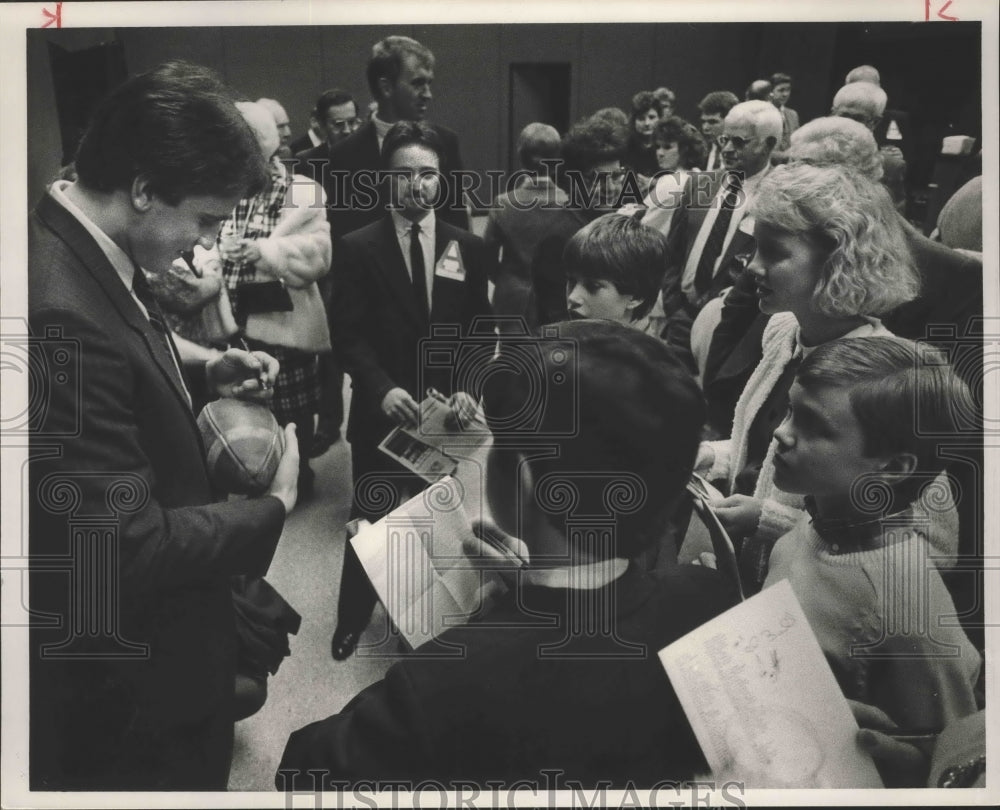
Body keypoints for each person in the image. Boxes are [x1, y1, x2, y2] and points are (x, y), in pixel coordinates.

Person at [277, 319, 739, 788]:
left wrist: (485, 631)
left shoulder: (443, 682)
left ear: (521, 481)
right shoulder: (710, 598)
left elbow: (302, 771)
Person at [28, 61, 299, 790]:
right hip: (127, 684)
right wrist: (269, 506)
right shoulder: (57, 312)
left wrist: (208, 367)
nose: (203, 244)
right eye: (206, 220)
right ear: (144, 187)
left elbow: (129, 331)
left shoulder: (76, 238)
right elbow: (122, 553)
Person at [693, 162, 927, 594]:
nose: (751, 268)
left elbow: (892, 528)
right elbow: (762, 448)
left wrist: (766, 520)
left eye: (775, 253)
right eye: (755, 249)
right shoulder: (783, 331)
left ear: (839, 260)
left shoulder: (882, 373)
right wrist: (712, 455)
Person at [328, 121, 493, 660]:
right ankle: (352, 618)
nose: (416, 186)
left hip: (444, 418)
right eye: (403, 175)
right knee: (371, 516)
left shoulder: (466, 246)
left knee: (435, 519)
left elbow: (479, 330)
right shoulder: (356, 247)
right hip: (384, 415)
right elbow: (347, 335)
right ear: (386, 180)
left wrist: (469, 387)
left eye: (427, 174)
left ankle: (423, 625)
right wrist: (380, 389)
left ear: (442, 179)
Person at [763, 337, 981, 733]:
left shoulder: (908, 606)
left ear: (893, 466)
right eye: (791, 411)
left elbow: (955, 757)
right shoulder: (812, 524)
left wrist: (892, 751)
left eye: (814, 426)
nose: (781, 433)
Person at [218, 101, 332, 498]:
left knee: (292, 413)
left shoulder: (302, 192)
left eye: (266, 157)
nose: (263, 168)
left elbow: (319, 256)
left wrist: (266, 253)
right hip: (233, 322)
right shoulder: (228, 191)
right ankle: (257, 473)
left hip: (285, 326)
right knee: (249, 406)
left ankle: (297, 478)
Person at [659, 99, 782, 367]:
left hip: (731, 333)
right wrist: (674, 307)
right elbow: (672, 253)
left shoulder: (779, 199)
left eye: (739, 142)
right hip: (681, 319)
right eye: (723, 140)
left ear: (769, 144)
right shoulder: (698, 185)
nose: (726, 149)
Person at [323, 35, 469, 241]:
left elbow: (457, 228)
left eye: (429, 83)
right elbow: (342, 237)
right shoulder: (343, 156)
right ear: (386, 87)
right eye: (418, 83)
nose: (428, 94)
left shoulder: (446, 143)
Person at [295, 88, 362, 455]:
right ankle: (331, 422)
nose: (349, 130)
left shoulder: (374, 158)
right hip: (329, 269)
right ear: (320, 124)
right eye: (339, 124)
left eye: (355, 121)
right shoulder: (307, 164)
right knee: (329, 350)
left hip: (368, 264)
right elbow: (298, 224)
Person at [531, 113, 633, 326]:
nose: (611, 188)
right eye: (598, 179)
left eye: (616, 176)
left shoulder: (619, 222)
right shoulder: (559, 236)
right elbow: (558, 318)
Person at [482, 122, 567, 329]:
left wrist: (507, 278)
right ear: (557, 160)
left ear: (521, 157)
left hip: (511, 299)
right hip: (557, 301)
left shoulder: (503, 203)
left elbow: (486, 258)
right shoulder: (569, 203)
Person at [564, 213, 664, 333]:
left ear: (636, 297)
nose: (572, 298)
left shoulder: (648, 351)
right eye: (571, 281)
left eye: (592, 286)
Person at [624, 90, 663, 178]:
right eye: (641, 118)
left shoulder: (668, 147)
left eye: (652, 117)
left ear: (660, 118)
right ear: (634, 121)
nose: (647, 123)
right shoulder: (625, 147)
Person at [697, 90, 740, 170]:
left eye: (712, 122)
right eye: (703, 122)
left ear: (730, 121)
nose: (705, 128)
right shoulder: (700, 152)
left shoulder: (743, 154)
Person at [769, 72, 799, 151]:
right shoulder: (765, 114)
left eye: (788, 90)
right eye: (781, 90)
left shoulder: (793, 114)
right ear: (771, 92)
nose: (785, 94)